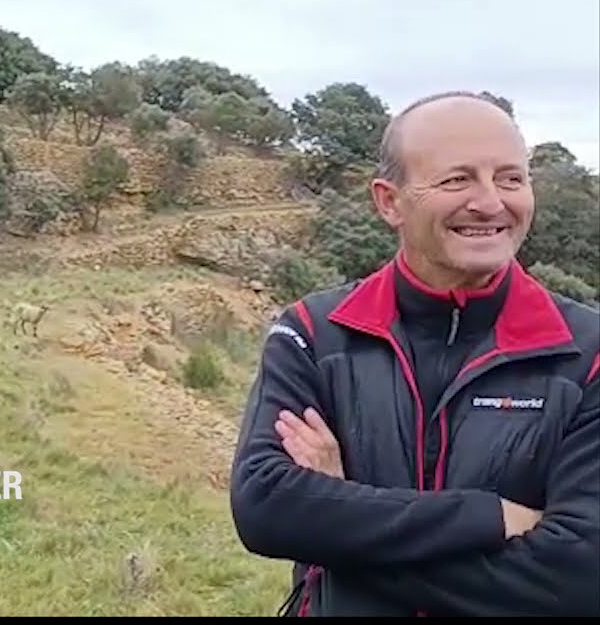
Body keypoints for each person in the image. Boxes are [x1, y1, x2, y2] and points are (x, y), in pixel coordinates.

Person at [229, 91, 599, 617]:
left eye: (511, 178)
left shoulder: (587, 354)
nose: (491, 202)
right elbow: (266, 507)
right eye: (457, 179)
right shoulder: (314, 334)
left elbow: (580, 576)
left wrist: (339, 524)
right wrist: (490, 516)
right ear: (389, 201)